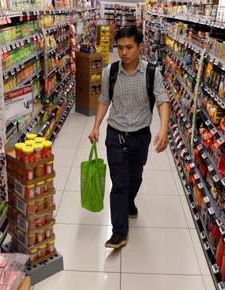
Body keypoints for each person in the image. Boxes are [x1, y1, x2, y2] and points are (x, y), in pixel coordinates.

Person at [88, 26, 170, 249]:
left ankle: (130, 202)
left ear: (140, 47)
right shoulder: (110, 72)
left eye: (129, 47)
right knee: (119, 184)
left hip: (140, 136)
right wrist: (96, 125)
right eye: (120, 47)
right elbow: (104, 99)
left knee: (135, 177)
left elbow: (162, 101)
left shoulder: (152, 73)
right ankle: (119, 232)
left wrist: (163, 129)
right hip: (115, 134)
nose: (123, 52)